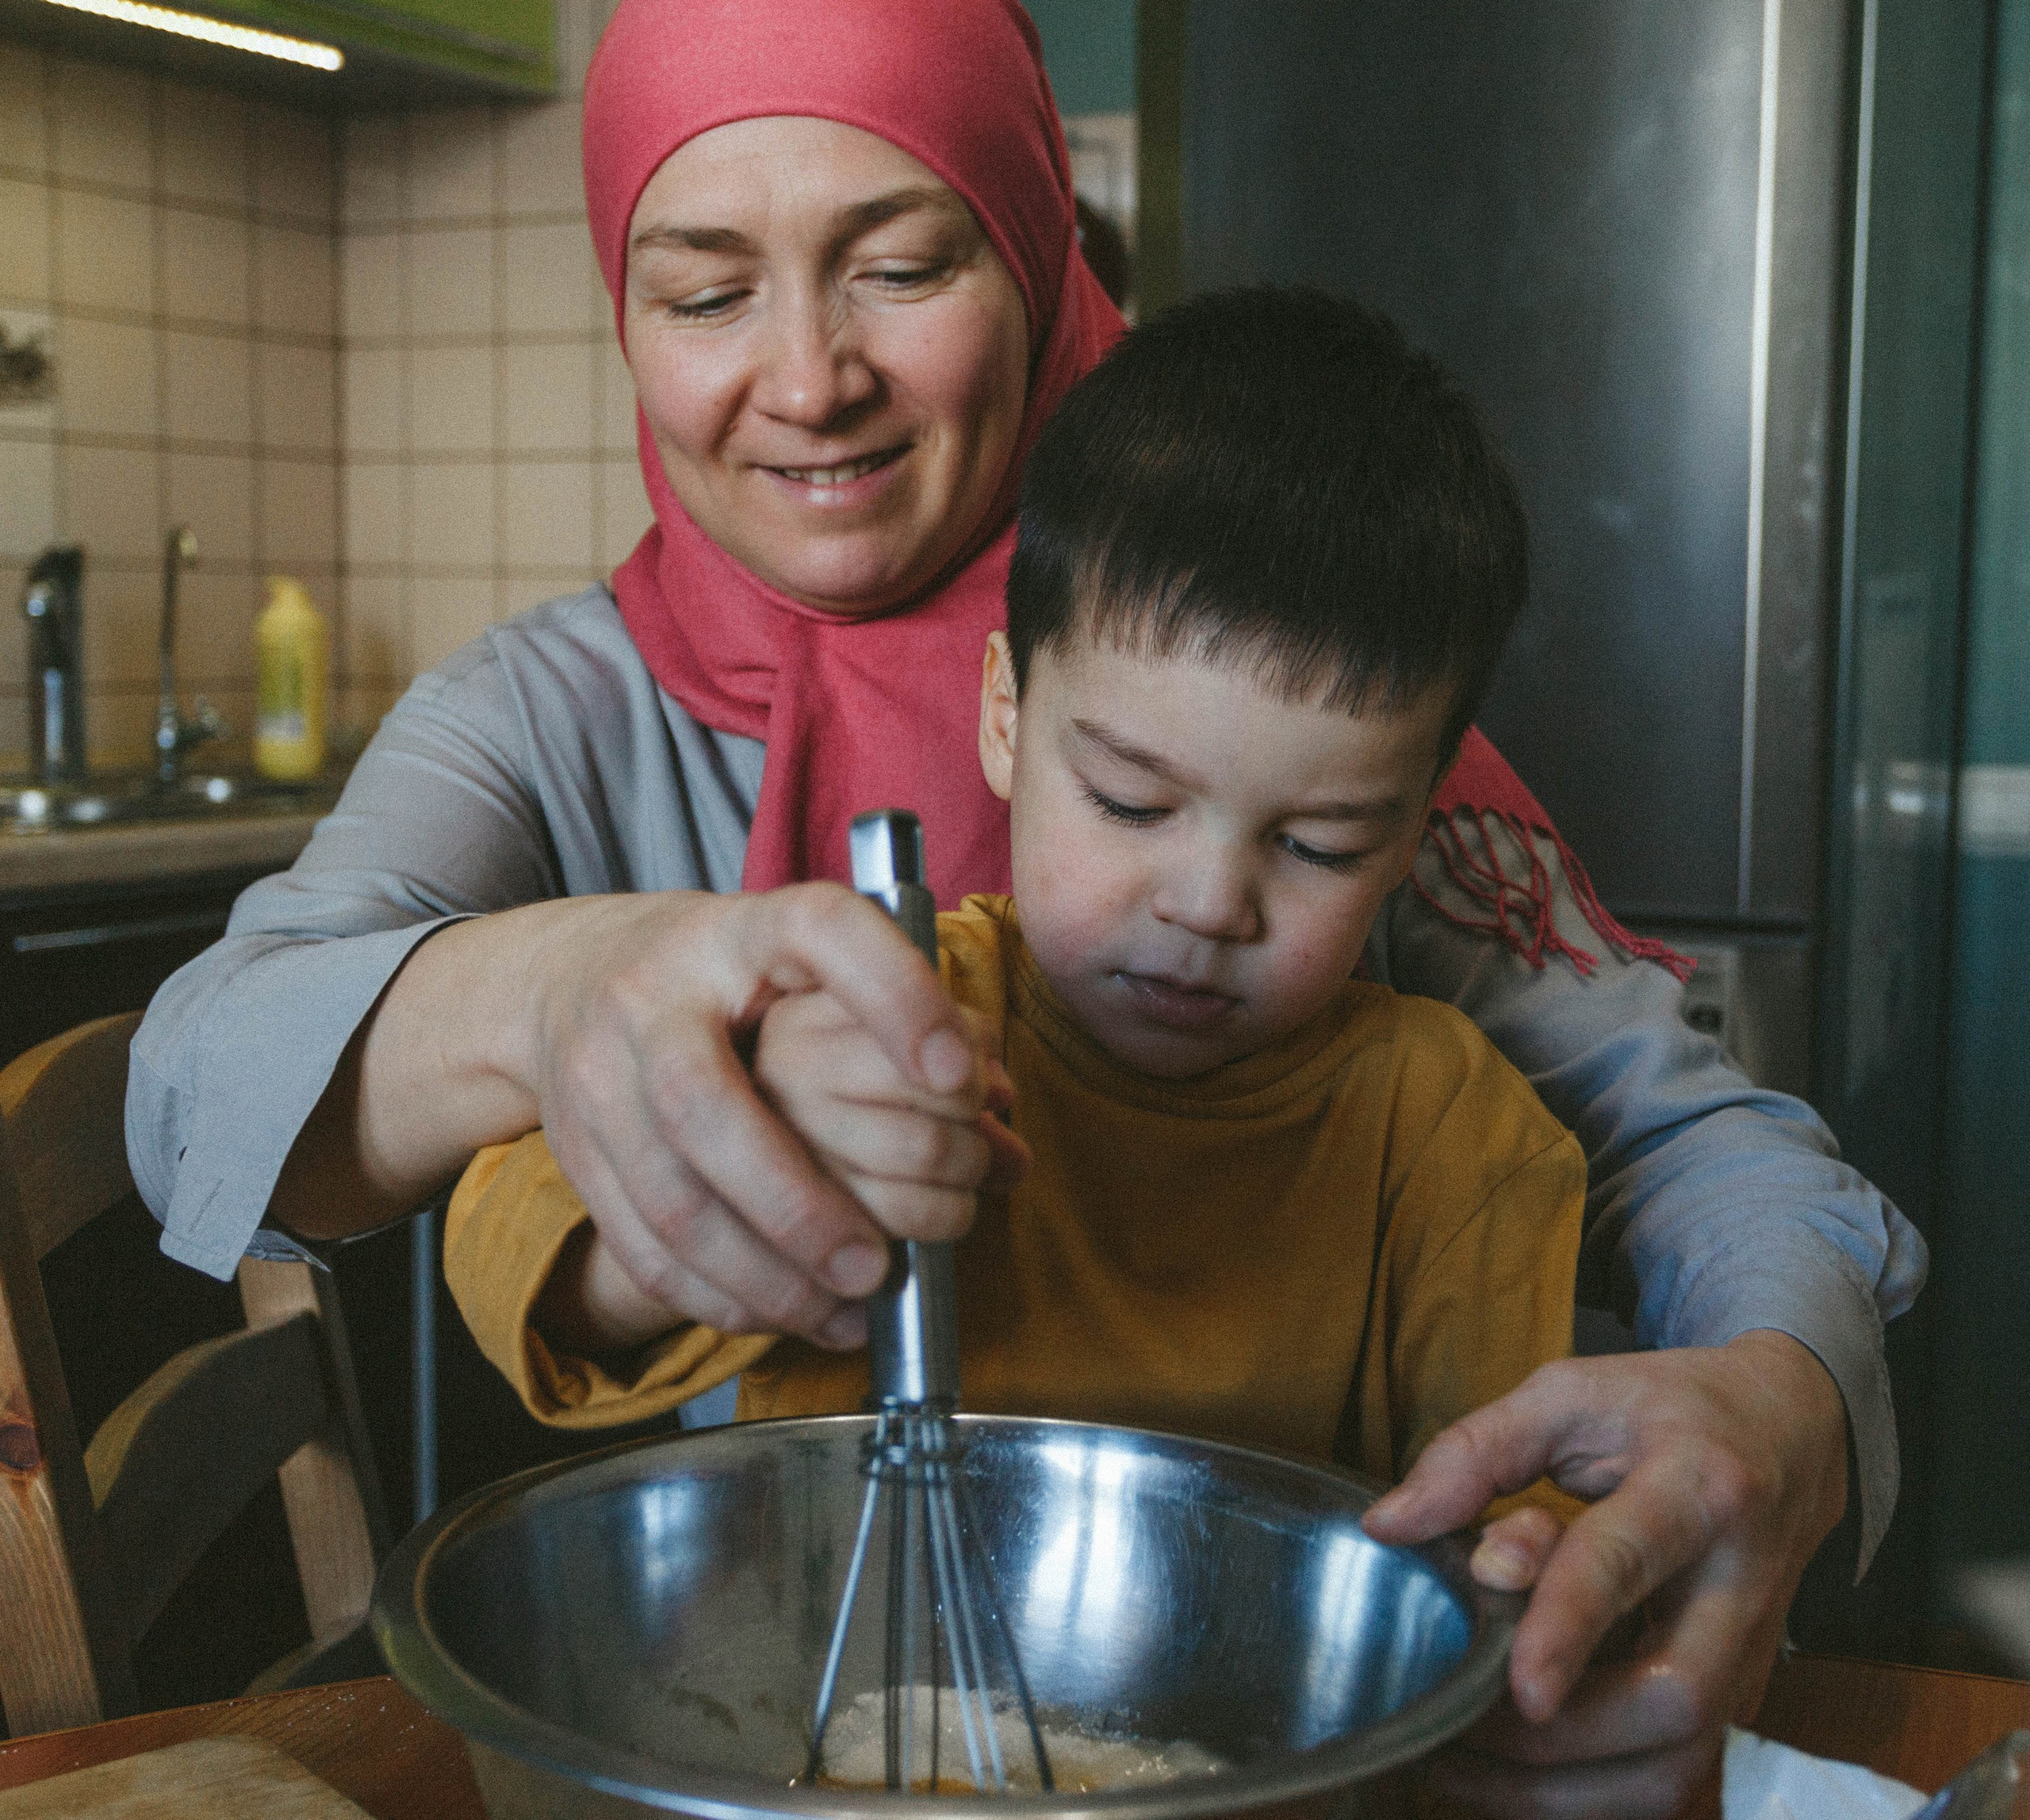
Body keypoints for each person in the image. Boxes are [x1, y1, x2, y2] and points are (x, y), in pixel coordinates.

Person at [122, 2, 1922, 1814]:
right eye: (699, 293)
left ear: (1038, 246)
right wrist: (568, 988)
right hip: (775, 1695)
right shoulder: (546, 719)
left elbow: (1696, 1152)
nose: (810, 374)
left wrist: (1773, 1401)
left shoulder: (1243, 653)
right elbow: (197, 1086)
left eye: (901, 267)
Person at [446, 289, 1592, 1528]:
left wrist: (1532, 1567)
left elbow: (1510, 1518)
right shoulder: (868, 1014)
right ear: (1006, 718)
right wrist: (740, 1172)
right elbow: (512, 1255)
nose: (1210, 906)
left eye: (1317, 846)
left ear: (1418, 827)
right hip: (837, 1692)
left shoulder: (1451, 1139)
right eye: (1130, 803)